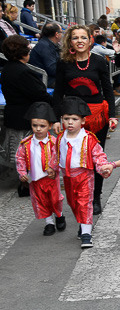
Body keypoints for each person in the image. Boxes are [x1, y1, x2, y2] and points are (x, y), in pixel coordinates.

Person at [53, 25, 115, 214]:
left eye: (83, 37)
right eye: (75, 38)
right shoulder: (63, 62)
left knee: (96, 157)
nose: (79, 41)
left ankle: (95, 197)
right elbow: (58, 93)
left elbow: (107, 89)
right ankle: (79, 195)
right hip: (72, 117)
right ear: (69, 41)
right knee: (74, 158)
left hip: (97, 116)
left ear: (90, 40)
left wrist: (112, 115)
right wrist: (56, 119)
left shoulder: (98, 61)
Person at [56, 97, 113, 249]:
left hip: (84, 175)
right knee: (73, 203)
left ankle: (86, 234)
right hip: (67, 176)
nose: (69, 122)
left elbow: (98, 155)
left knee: (84, 203)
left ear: (82, 121)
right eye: (66, 118)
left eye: (74, 119)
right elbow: (56, 155)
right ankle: (82, 222)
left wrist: (102, 168)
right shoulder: (60, 138)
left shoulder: (88, 138)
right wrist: (51, 168)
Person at [15, 101, 64, 235]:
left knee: (55, 199)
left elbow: (60, 157)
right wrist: (22, 173)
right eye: (34, 125)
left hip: (50, 178)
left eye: (42, 126)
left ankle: (59, 215)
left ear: (49, 126)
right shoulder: (26, 143)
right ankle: (49, 223)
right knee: (41, 201)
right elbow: (20, 158)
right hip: (35, 178)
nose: (38, 129)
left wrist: (53, 168)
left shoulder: (54, 143)